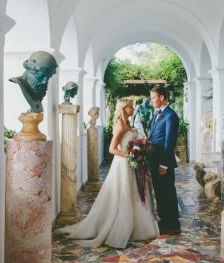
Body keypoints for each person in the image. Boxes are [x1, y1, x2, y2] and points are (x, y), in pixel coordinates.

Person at [58, 98, 158, 248]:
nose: (133, 109)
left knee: (134, 193)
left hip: (130, 164)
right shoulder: (120, 125)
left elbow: (129, 144)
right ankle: (120, 228)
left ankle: (136, 227)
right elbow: (112, 149)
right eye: (130, 107)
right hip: (123, 164)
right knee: (123, 193)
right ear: (124, 109)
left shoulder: (127, 124)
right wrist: (131, 156)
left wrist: (139, 149)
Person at [148, 86, 181, 235]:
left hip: (163, 162)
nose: (151, 101)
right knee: (160, 193)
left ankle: (174, 225)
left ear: (161, 97)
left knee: (168, 192)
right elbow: (154, 137)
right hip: (155, 160)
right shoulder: (157, 114)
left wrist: (164, 164)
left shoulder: (171, 115)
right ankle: (164, 221)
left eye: (153, 98)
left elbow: (169, 142)